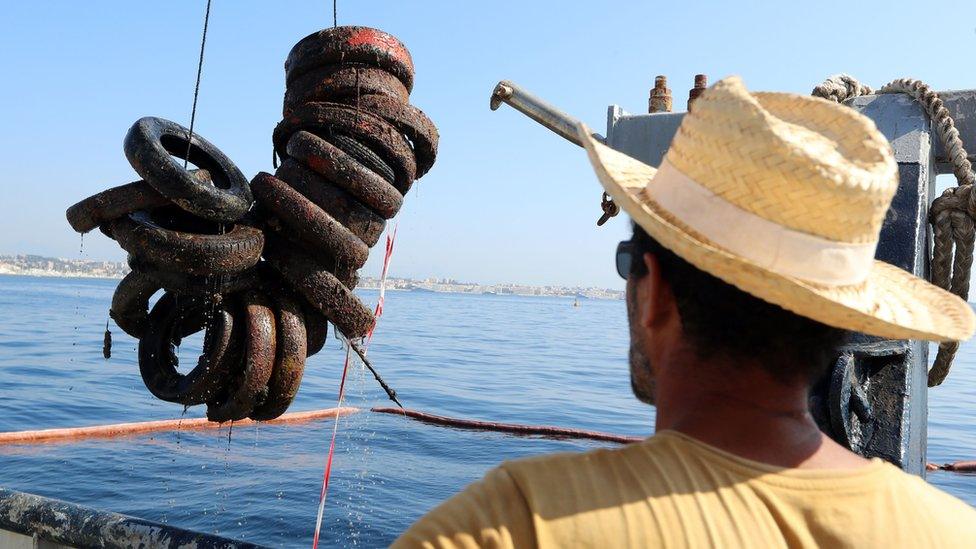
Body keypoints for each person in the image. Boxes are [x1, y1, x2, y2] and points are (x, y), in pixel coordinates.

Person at [393, 76, 976, 548]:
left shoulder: (510, 526)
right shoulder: (951, 532)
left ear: (656, 294)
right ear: (839, 314)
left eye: (629, 264)